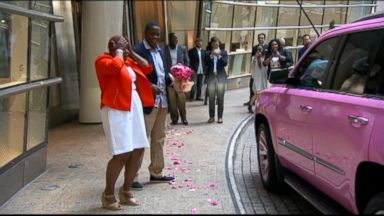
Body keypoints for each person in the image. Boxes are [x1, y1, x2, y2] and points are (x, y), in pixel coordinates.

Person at [95, 35, 154, 210]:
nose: (125, 49)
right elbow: (114, 68)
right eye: (122, 46)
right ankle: (108, 195)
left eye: (127, 46)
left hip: (133, 106)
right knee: (122, 152)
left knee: (138, 148)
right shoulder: (102, 60)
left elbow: (146, 66)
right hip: (115, 108)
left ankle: (126, 190)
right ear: (111, 45)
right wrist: (119, 51)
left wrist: (131, 52)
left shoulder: (126, 60)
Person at [132, 21, 175, 190]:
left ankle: (156, 172)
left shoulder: (161, 51)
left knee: (159, 139)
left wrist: (174, 80)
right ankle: (133, 176)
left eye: (157, 34)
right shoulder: (137, 51)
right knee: (141, 139)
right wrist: (149, 87)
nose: (155, 37)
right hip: (147, 103)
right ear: (145, 33)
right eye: (152, 34)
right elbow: (134, 76)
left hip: (163, 102)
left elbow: (163, 73)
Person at [163, 32, 190, 125]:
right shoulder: (164, 50)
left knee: (181, 99)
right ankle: (174, 119)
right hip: (169, 78)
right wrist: (167, 76)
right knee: (172, 100)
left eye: (176, 39)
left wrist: (185, 74)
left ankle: (184, 118)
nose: (175, 41)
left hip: (180, 78)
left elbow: (187, 61)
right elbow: (163, 65)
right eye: (173, 39)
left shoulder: (182, 49)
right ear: (169, 39)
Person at [205, 36, 228, 124]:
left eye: (217, 43)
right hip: (211, 78)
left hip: (220, 78)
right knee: (211, 98)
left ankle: (220, 117)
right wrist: (211, 55)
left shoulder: (223, 52)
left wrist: (218, 56)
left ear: (219, 43)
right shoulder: (208, 53)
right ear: (211, 44)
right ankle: (211, 117)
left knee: (220, 98)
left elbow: (225, 63)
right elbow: (206, 63)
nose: (215, 44)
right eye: (214, 43)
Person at [245, 33, 268, 109]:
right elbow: (258, 65)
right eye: (259, 38)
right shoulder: (256, 56)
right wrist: (258, 58)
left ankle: (256, 105)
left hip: (263, 75)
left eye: (262, 38)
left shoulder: (267, 49)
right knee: (258, 91)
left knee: (261, 91)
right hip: (257, 76)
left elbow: (265, 65)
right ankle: (252, 104)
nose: (261, 39)